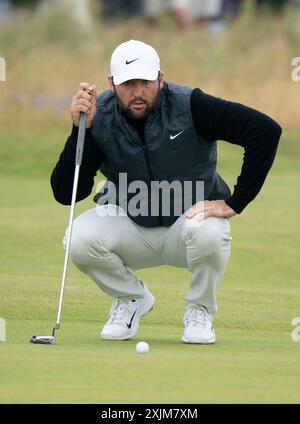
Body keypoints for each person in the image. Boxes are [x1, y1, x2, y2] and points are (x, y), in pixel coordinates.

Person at [51, 40, 282, 344]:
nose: (137, 92)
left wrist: (235, 202)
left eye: (145, 82)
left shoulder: (191, 105)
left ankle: (199, 311)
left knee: (212, 231)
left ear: (160, 78)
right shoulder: (100, 116)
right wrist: (81, 129)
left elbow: (265, 131)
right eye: (128, 83)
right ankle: (131, 298)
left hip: (188, 227)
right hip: (132, 227)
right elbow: (67, 193)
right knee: (78, 237)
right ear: (111, 83)